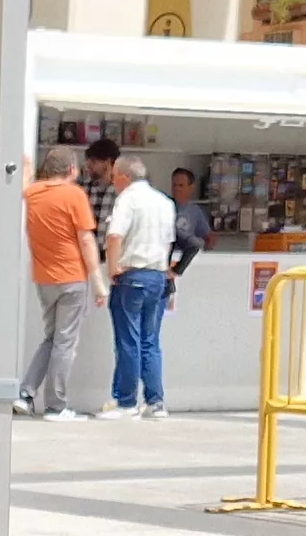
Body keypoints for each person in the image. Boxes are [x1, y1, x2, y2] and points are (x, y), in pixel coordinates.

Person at [18, 144, 101, 420]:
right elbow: (86, 240)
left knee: (52, 338)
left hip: (44, 279)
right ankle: (56, 405)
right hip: (72, 277)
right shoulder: (74, 194)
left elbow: (24, 186)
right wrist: (98, 282)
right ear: (72, 170)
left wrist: (26, 169)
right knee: (65, 343)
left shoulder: (33, 193)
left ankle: (26, 393)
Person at [100, 156, 175, 418]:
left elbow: (114, 236)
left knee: (128, 341)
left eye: (114, 177)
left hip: (132, 275)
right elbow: (169, 242)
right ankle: (155, 401)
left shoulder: (128, 199)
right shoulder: (165, 202)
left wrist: (112, 268)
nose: (113, 182)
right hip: (158, 276)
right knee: (150, 341)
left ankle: (126, 402)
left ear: (124, 176)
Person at [165, 166, 211, 277]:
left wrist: (207, 255)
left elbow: (209, 237)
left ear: (191, 187)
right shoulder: (164, 205)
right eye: (174, 185)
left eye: (181, 185)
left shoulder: (195, 210)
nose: (177, 189)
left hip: (184, 253)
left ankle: (176, 272)